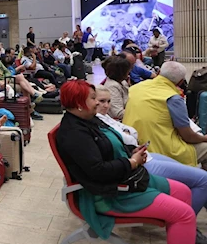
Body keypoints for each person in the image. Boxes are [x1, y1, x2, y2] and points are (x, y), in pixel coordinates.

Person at [57, 80, 197, 244]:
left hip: (125, 180)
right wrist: (131, 162)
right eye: (93, 98)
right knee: (184, 214)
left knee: (184, 192)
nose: (97, 103)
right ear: (79, 104)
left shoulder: (89, 120)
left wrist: (131, 152)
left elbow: (108, 148)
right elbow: (98, 171)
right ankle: (182, 226)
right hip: (110, 194)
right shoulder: (75, 133)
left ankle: (181, 232)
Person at [96, 85, 207, 236]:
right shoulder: (95, 124)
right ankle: (186, 225)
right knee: (203, 179)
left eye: (108, 101)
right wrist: (133, 157)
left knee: (193, 177)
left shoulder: (132, 93)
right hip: (139, 165)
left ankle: (186, 222)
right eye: (101, 101)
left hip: (143, 156)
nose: (106, 105)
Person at [124, 61, 207, 169]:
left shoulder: (135, 88)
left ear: (158, 72)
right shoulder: (173, 97)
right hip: (160, 150)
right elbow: (188, 136)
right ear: (181, 81)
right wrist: (205, 138)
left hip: (133, 146)